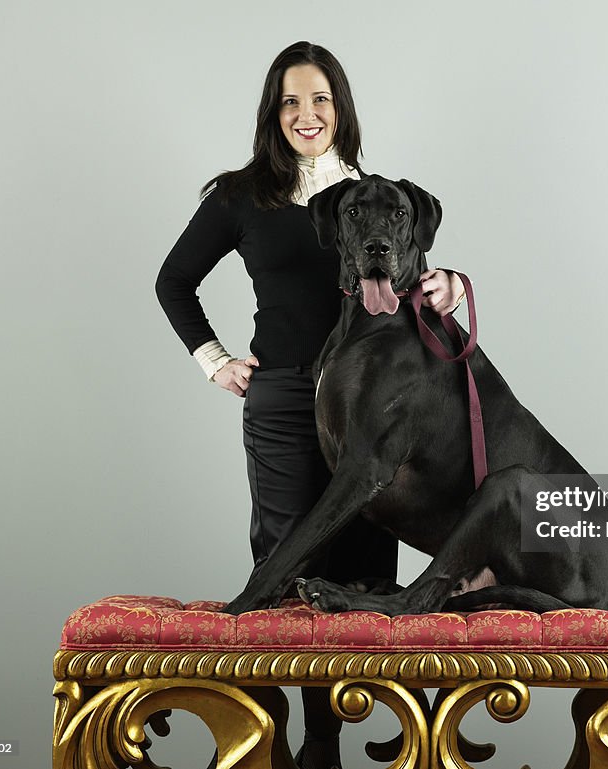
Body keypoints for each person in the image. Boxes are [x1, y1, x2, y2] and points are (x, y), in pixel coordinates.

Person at [155, 41, 464, 769]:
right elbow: (174, 281)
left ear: (341, 109)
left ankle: (365, 743)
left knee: (363, 579)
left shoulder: (371, 195)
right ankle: (280, 746)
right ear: (273, 112)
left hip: (373, 411)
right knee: (285, 575)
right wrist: (217, 362)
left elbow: (415, 281)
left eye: (320, 99)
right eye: (291, 100)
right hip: (288, 400)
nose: (306, 113)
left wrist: (450, 277)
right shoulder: (240, 196)